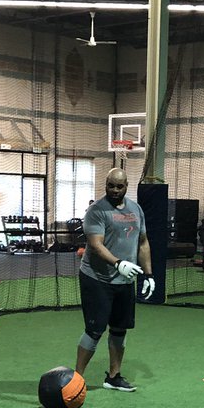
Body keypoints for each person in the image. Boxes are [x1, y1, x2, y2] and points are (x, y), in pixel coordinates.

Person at [75, 167, 154, 391]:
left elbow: (143, 242)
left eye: (119, 186)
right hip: (97, 278)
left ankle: (114, 376)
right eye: (111, 185)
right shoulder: (96, 211)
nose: (115, 190)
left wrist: (148, 274)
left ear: (126, 186)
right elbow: (96, 244)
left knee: (120, 329)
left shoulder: (136, 209)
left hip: (125, 281)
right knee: (95, 330)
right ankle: (77, 379)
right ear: (106, 184)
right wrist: (119, 263)